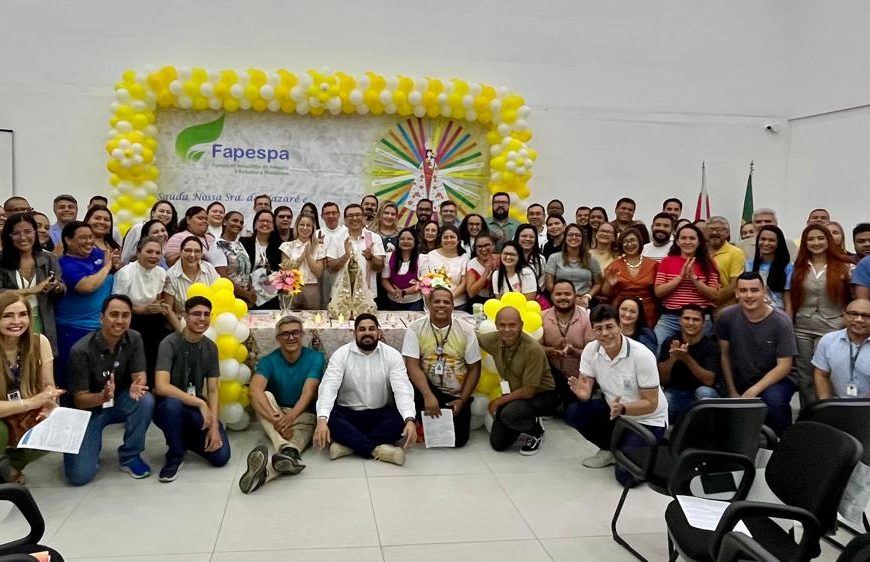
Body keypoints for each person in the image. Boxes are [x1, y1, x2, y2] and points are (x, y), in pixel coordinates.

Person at [564, 304, 668, 480]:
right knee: (575, 412)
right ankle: (611, 449)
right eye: (599, 329)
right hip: (615, 412)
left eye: (610, 327)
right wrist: (584, 393)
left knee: (625, 476)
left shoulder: (642, 355)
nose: (605, 334)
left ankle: (655, 447)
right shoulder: (591, 349)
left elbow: (651, 403)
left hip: (648, 420)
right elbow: (586, 384)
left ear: (620, 326)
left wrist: (624, 409)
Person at [63, 295, 154, 485]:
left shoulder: (134, 338)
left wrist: (137, 386)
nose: (120, 321)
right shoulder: (81, 350)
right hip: (87, 411)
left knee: (145, 401)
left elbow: (140, 375)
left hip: (117, 401)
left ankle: (130, 456)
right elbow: (80, 400)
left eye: (125, 315)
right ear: (101, 317)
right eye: (114, 315)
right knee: (79, 476)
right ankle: (83, 450)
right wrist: (103, 396)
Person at [313, 314, 416, 465]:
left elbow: (402, 389)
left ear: (378, 332)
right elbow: (329, 387)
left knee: (401, 419)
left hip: (380, 413)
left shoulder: (392, 355)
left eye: (371, 329)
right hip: (348, 414)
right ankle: (379, 450)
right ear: (354, 333)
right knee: (331, 420)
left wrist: (409, 419)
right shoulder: (341, 354)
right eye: (362, 329)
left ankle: (349, 446)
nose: (367, 333)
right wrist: (322, 420)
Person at [240, 316, 325, 494]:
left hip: (303, 413)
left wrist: (290, 418)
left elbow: (308, 393)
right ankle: (286, 450)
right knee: (264, 395)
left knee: (299, 437)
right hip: (276, 413)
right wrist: (278, 420)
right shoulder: (268, 360)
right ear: (277, 338)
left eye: (295, 332)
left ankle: (268, 470)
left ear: (302, 335)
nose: (291, 337)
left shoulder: (316, 358)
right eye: (285, 334)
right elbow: (254, 390)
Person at [153, 296, 230, 482]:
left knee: (221, 457)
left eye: (206, 314)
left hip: (194, 406)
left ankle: (185, 439)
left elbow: (213, 390)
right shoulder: (169, 343)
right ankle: (175, 454)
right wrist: (199, 403)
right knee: (172, 405)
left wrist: (214, 427)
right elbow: (161, 386)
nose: (202, 319)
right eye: (196, 314)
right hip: (168, 405)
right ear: (185, 316)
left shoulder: (210, 347)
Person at [716, 273, 797, 435]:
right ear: (737, 293)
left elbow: (784, 366)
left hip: (777, 378)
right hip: (741, 377)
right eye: (743, 291)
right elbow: (724, 356)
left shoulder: (781, 321)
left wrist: (753, 391)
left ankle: (783, 441)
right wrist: (732, 391)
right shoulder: (726, 317)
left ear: (764, 292)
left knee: (774, 401)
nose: (749, 295)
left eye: (754, 290)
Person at [403, 287, 481, 448]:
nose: (441, 305)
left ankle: (431, 421)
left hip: (454, 394)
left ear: (453, 306)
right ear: (428, 305)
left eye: (446, 302)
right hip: (425, 389)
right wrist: (428, 396)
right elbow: (412, 365)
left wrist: (462, 399)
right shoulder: (415, 328)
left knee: (458, 440)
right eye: (436, 301)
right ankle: (419, 421)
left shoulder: (466, 331)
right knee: (405, 382)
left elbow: (475, 368)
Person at [478, 307, 558, 455]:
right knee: (498, 444)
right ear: (496, 325)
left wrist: (498, 402)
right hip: (516, 394)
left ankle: (536, 432)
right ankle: (522, 418)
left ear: (521, 325)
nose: (507, 329)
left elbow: (528, 391)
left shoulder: (532, 349)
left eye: (512, 325)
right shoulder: (493, 339)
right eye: (502, 325)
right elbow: (472, 337)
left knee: (509, 413)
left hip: (541, 395)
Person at [0, 293, 62, 484]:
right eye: (8, 315)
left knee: (54, 427)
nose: (16, 321)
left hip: (24, 408)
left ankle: (12, 467)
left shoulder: (40, 342)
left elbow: (48, 387)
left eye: (22, 314)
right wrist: (32, 402)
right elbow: (36, 399)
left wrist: (50, 402)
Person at [788, 225, 853, 406]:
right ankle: (808, 413)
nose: (815, 242)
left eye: (820, 238)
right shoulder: (797, 266)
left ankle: (828, 413)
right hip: (802, 326)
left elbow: (852, 298)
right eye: (810, 239)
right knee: (805, 374)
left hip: (832, 325)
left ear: (828, 240)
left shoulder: (845, 265)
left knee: (826, 373)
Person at [55, 221, 118, 390]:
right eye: (83, 237)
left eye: (91, 237)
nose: (89, 241)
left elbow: (109, 255)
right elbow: (87, 286)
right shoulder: (65, 264)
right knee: (73, 380)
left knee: (96, 379)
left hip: (99, 329)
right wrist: (108, 267)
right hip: (73, 330)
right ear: (68, 240)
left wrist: (112, 262)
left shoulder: (94, 254)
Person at [112, 237, 175, 387]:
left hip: (153, 320)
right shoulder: (125, 273)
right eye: (149, 251)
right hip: (131, 320)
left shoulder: (161, 272)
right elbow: (117, 303)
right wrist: (141, 310)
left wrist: (156, 306)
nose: (154, 256)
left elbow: (157, 297)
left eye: (157, 253)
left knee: (154, 359)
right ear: (139, 252)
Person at [0, 213, 65, 353]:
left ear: (35, 233)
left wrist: (56, 287)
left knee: (42, 365)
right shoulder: (1, 261)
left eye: (28, 232)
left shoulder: (49, 259)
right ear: (8, 236)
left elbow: (61, 288)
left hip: (42, 322)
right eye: (16, 233)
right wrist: (32, 290)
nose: (23, 237)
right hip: (10, 322)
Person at [653, 224, 720, 350]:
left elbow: (714, 295)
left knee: (702, 355)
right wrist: (680, 277)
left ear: (699, 241)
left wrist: (695, 280)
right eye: (683, 238)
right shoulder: (667, 261)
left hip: (699, 318)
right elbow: (658, 292)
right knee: (656, 349)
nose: (687, 242)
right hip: (670, 318)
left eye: (692, 238)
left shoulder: (708, 263)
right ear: (677, 241)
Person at [658, 304, 720, 423]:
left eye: (696, 319)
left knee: (705, 392)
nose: (691, 323)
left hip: (700, 394)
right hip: (676, 392)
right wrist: (673, 358)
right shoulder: (670, 342)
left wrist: (686, 358)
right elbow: (663, 380)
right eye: (687, 318)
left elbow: (709, 381)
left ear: (703, 323)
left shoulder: (711, 346)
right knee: (665, 399)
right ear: (680, 321)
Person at [540, 280, 595, 408]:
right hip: (551, 378)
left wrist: (573, 351)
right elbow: (536, 349)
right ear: (552, 296)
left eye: (567, 294)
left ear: (575, 296)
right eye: (558, 294)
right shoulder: (542, 317)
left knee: (574, 411)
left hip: (577, 379)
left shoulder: (587, 318)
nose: (563, 297)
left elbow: (593, 355)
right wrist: (551, 350)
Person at [813, 299, 870, 399]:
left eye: (866, 316)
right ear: (844, 316)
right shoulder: (828, 340)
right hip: (837, 406)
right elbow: (821, 374)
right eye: (853, 314)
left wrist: (863, 409)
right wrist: (826, 404)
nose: (859, 319)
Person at [602, 228, 659, 327]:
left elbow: (658, 292)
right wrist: (609, 284)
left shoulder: (654, 265)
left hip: (647, 312)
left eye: (632, 240)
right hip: (622, 312)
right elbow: (605, 294)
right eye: (625, 241)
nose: (629, 244)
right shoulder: (614, 265)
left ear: (640, 242)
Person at [326, 204, 386, 296]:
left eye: (358, 215)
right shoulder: (336, 238)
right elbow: (330, 268)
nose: (354, 218)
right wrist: (346, 256)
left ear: (363, 217)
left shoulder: (374, 238)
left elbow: (380, 267)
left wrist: (370, 258)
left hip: (367, 296)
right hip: (340, 296)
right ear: (345, 220)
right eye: (350, 215)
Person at [544, 223, 602, 308]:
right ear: (565, 237)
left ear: (582, 239)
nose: (574, 237)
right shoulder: (554, 258)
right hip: (560, 300)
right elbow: (549, 284)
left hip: (584, 302)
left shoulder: (591, 259)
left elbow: (598, 283)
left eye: (578, 235)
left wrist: (587, 297)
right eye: (570, 235)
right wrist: (567, 297)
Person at [164, 236, 220, 316]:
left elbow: (218, 296)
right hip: (183, 323)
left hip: (210, 319)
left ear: (201, 254)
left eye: (197, 251)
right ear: (180, 252)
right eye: (188, 250)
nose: (192, 255)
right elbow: (168, 310)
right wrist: (181, 328)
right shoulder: (171, 275)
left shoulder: (209, 268)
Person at [279, 214, 325, 310]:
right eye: (301, 225)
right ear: (296, 227)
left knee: (313, 320)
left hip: (312, 288)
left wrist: (308, 257)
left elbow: (318, 273)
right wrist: (301, 257)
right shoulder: (287, 246)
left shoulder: (319, 247)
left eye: (308, 225)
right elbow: (286, 272)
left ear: (313, 228)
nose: (305, 228)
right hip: (291, 288)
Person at [419, 224, 468, 309]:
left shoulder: (464, 257)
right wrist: (438, 300)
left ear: (458, 239)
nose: (449, 240)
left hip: (458, 304)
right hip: (435, 304)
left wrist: (448, 299)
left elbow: (464, 283)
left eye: (452, 237)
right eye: (445, 237)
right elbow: (425, 282)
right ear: (440, 239)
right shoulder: (429, 256)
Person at [747, 225, 793, 310]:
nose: (766, 243)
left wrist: (787, 321)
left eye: (771, 240)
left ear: (779, 243)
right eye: (763, 239)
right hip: (753, 313)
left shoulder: (787, 268)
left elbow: (788, 302)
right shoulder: (750, 265)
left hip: (778, 315)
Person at [120, 200, 178, 264]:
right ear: (153, 213)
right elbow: (125, 255)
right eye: (161, 211)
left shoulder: (169, 234)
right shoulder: (138, 228)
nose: (165, 214)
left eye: (168, 212)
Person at [706, 216, 745, 311]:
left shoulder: (736, 252)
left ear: (727, 233)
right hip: (700, 307)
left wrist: (712, 302)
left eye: (719, 230)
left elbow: (734, 285)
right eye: (711, 229)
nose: (714, 233)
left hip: (726, 306)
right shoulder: (699, 251)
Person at [215, 211, 254, 305]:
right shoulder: (217, 245)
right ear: (224, 222)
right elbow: (223, 277)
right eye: (235, 221)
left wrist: (251, 290)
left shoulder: (240, 244)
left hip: (244, 299)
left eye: (241, 222)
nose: (238, 224)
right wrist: (246, 294)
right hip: (228, 297)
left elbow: (245, 272)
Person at [381, 227, 424, 311]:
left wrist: (404, 292)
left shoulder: (421, 258)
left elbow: (423, 283)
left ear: (415, 242)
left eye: (409, 239)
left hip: (415, 302)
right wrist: (394, 292)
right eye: (402, 239)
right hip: (393, 301)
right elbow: (384, 280)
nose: (405, 241)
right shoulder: (389, 256)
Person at [318, 201, 348, 306]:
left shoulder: (347, 232)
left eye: (334, 213)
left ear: (339, 214)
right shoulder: (316, 234)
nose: (331, 216)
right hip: (322, 278)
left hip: (343, 276)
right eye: (327, 213)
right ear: (322, 216)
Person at [514, 224, 547, 298]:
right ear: (517, 237)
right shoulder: (509, 257)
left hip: (533, 300)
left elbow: (541, 282)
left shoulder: (541, 259)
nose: (528, 239)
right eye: (524, 236)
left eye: (531, 237)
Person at [466, 233, 499, 305]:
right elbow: (471, 293)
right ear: (476, 249)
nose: (483, 249)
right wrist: (486, 271)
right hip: (477, 303)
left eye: (487, 245)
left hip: (497, 301)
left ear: (493, 246)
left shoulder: (500, 259)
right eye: (479, 246)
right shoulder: (472, 264)